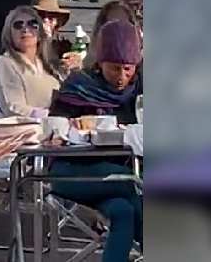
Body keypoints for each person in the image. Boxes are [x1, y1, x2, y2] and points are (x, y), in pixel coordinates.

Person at [48, 20, 143, 262]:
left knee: (123, 211)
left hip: (117, 171)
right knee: (135, 184)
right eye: (114, 68)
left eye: (128, 69)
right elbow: (54, 124)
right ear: (100, 62)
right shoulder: (79, 86)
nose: (122, 77)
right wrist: (65, 128)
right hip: (70, 171)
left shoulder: (141, 91)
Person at [0, 6, 63, 117]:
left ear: (40, 32)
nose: (26, 29)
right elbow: (13, 108)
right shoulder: (5, 63)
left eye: (32, 24)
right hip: (26, 130)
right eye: (18, 25)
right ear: (9, 34)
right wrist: (50, 115)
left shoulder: (48, 65)